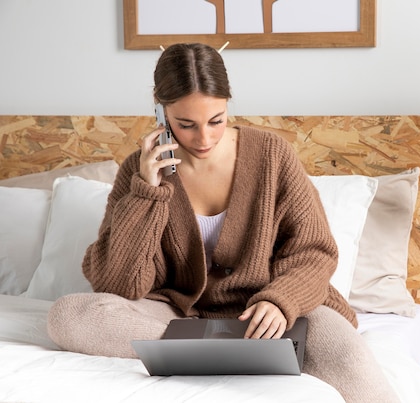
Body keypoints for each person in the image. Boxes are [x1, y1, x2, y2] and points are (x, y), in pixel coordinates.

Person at [47, 43, 399, 402]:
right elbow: (117, 285)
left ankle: (202, 352)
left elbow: (314, 251)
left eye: (216, 120)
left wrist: (280, 301)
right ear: (159, 109)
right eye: (186, 125)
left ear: (228, 104)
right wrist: (146, 194)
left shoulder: (272, 154)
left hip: (270, 313)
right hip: (175, 314)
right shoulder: (139, 172)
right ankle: (224, 352)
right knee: (69, 315)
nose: (204, 138)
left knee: (348, 354)